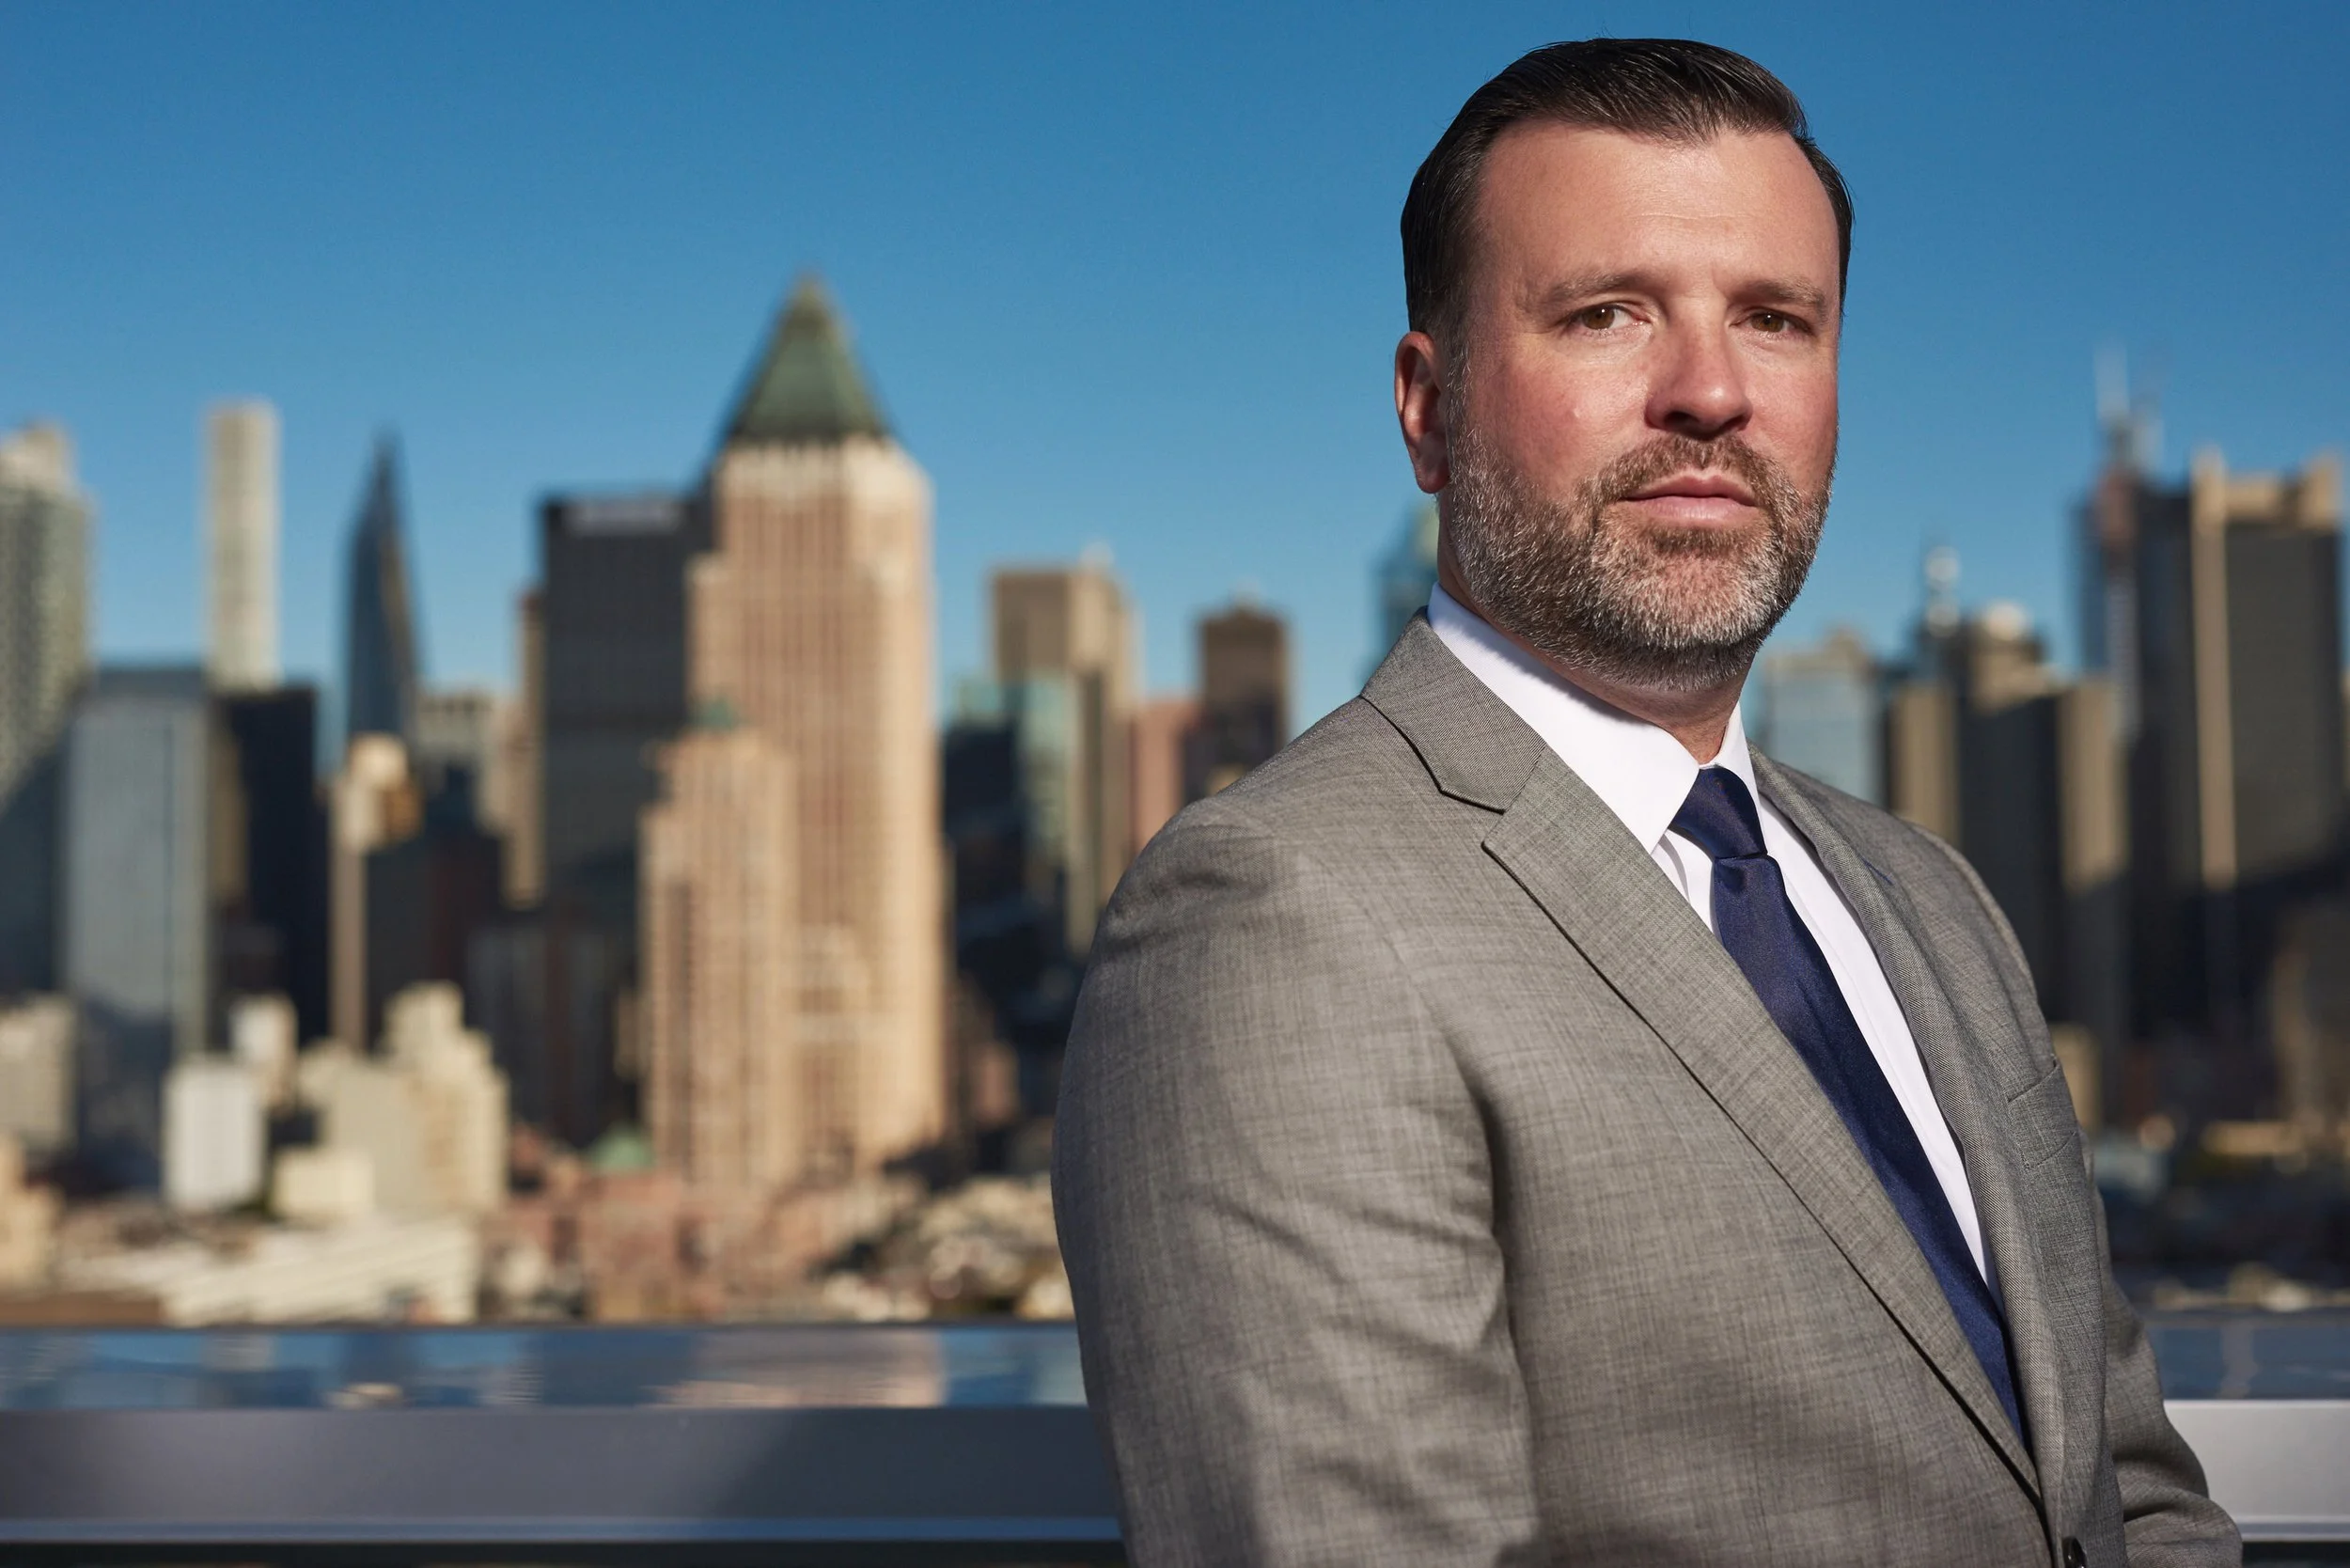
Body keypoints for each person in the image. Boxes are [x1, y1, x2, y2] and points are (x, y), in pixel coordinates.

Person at [1053, 37, 2241, 1568]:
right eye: (1608, 314)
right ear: (1428, 407)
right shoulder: (1269, 916)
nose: (1712, 392)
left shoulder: (1928, 895)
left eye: (1776, 319)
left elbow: (2129, 1488)